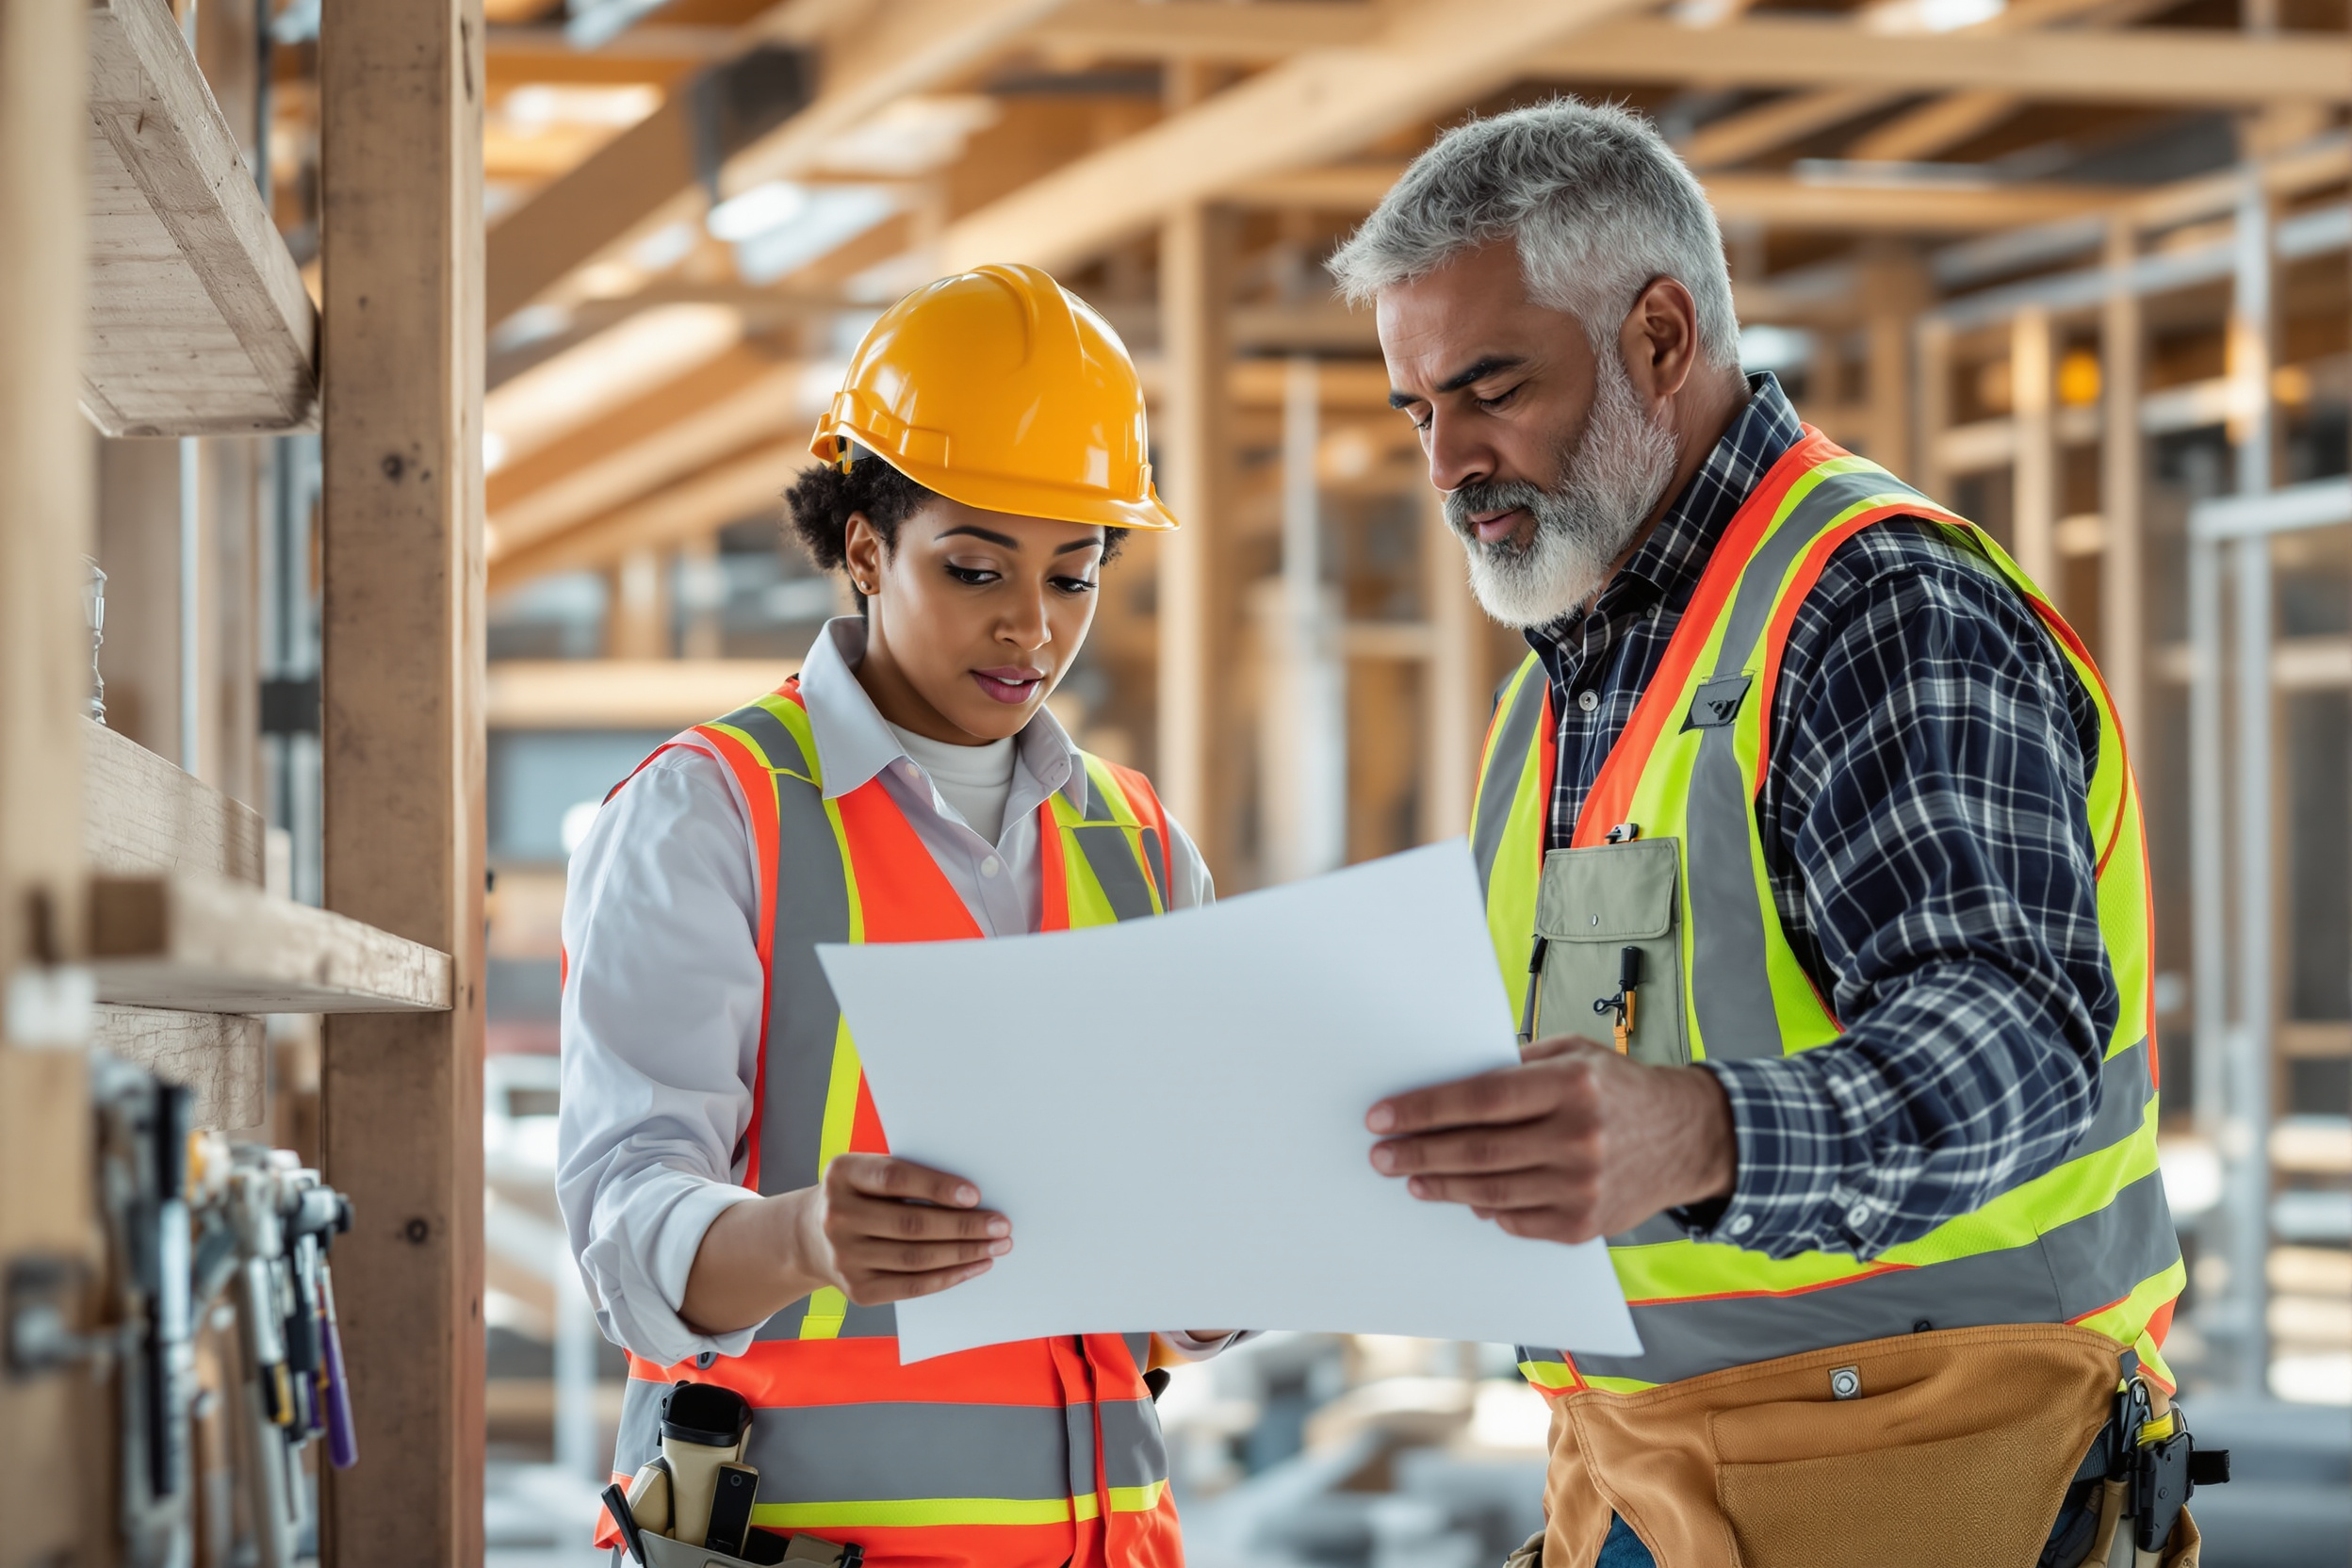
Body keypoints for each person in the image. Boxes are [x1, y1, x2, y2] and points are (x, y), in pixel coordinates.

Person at [1330, 103, 2201, 1568]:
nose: (1449, 463)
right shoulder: (1555, 696)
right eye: (1419, 411)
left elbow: (2019, 1037)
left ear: (1661, 338)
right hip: (1650, 1481)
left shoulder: (1878, 609)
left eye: (1491, 389)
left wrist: (1700, 1134)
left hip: (1940, 1473)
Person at [557, 264, 1235, 1568]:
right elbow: (626, 1235)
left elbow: (1185, 1295)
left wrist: (1239, 1258)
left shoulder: (1143, 844)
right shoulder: (713, 813)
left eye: (1075, 577)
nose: (1032, 627)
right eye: (977, 569)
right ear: (865, 547)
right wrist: (806, 1237)